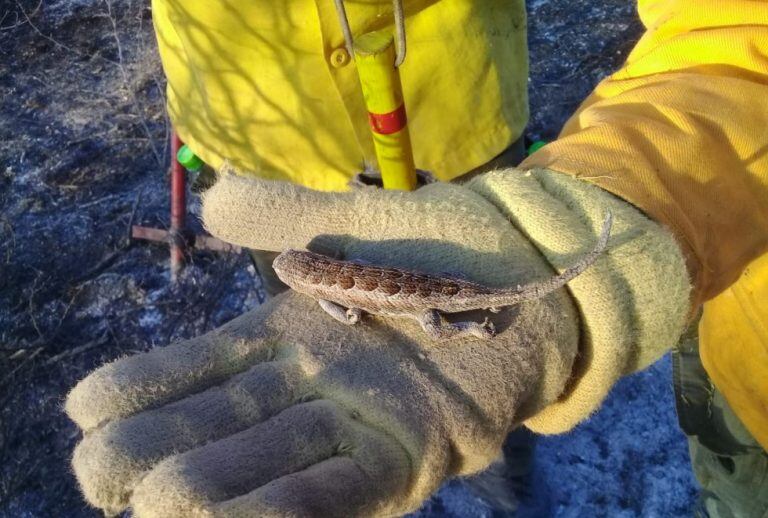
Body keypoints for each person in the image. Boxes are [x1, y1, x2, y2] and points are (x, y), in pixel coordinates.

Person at [65, 1, 767, 516]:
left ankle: (501, 469)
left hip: (450, 109)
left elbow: (341, 296)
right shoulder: (314, 268)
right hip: (256, 114)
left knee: (460, 327)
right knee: (409, 319)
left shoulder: (327, 280)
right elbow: (332, 288)